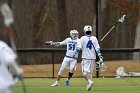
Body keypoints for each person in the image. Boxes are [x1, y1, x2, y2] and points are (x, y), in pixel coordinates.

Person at [72, 25, 104, 91]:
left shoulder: (83, 38)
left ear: (85, 31)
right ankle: (89, 86)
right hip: (93, 58)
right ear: (91, 31)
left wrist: (74, 54)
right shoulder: (94, 38)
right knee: (90, 73)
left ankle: (89, 81)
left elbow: (79, 48)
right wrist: (100, 56)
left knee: (84, 72)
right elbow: (97, 49)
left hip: (85, 58)